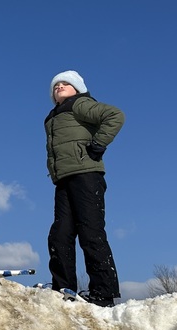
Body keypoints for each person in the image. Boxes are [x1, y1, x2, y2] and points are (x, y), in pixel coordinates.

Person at [44, 70, 125, 307]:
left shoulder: (79, 104)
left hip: (86, 175)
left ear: (77, 88)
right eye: (56, 85)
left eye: (65, 83)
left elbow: (115, 115)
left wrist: (98, 145)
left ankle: (103, 293)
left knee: (91, 232)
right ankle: (63, 288)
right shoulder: (53, 116)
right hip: (64, 179)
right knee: (60, 234)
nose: (59, 87)